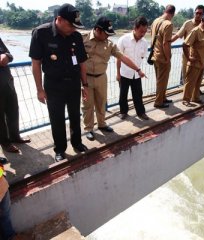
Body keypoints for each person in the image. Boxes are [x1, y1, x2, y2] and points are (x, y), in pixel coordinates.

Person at [29, 3, 89, 162]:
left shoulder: (76, 36)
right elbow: (36, 63)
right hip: (53, 85)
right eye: (71, 25)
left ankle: (77, 143)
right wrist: (39, 89)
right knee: (57, 119)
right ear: (59, 19)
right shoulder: (41, 33)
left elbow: (82, 62)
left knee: (75, 115)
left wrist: (85, 85)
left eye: (76, 26)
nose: (73, 29)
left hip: (74, 84)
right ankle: (60, 149)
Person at [82, 16, 145, 141]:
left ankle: (102, 124)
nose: (108, 37)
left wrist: (137, 69)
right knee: (87, 105)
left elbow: (123, 58)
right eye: (106, 33)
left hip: (101, 77)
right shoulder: (82, 39)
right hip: (86, 78)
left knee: (101, 102)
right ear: (98, 30)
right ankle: (89, 129)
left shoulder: (110, 44)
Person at [0, 38, 31, 154]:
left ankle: (15, 136)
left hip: (7, 83)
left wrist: (6, 57)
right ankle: (5, 143)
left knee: (13, 111)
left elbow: (9, 54)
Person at [116, 17, 149, 121]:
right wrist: (118, 73)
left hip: (137, 73)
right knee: (123, 95)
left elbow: (142, 57)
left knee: (138, 94)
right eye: (141, 31)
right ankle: (123, 112)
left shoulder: (144, 42)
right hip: (124, 73)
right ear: (135, 28)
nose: (143, 34)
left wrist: (138, 70)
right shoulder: (123, 40)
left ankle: (141, 112)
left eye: (145, 31)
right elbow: (118, 58)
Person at [182, 11, 204, 106]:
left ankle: (195, 97)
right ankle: (186, 100)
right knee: (190, 82)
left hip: (202, 62)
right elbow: (185, 45)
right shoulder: (195, 31)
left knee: (198, 82)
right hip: (194, 62)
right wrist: (189, 58)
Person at [171, 5, 204, 85]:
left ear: (203, 14)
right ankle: (185, 94)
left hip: (199, 57)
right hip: (187, 55)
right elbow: (177, 35)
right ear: (194, 13)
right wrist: (167, 42)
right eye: (197, 13)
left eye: (200, 13)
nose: (198, 15)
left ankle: (195, 91)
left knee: (198, 75)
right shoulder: (188, 24)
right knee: (186, 76)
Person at [150, 5, 176, 109]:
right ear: (173, 14)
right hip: (162, 57)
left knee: (160, 80)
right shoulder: (168, 24)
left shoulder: (156, 21)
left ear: (164, 11)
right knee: (162, 80)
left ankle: (163, 98)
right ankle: (158, 102)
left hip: (155, 55)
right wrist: (168, 57)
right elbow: (166, 44)